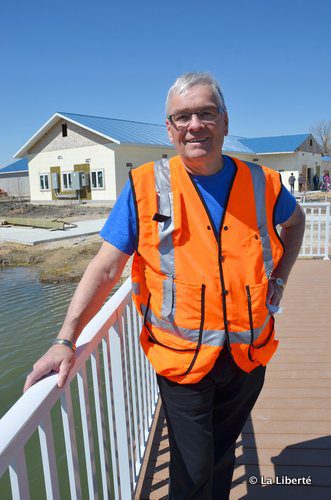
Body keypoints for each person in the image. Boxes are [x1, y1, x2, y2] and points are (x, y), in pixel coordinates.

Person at [24, 72, 305, 499]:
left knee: (222, 454)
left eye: (206, 114)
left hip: (249, 355)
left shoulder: (260, 182)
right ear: (170, 129)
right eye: (182, 116)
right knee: (191, 471)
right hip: (182, 362)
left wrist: (281, 277)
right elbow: (105, 268)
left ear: (225, 123)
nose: (195, 125)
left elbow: (295, 221)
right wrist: (66, 338)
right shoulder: (145, 186)